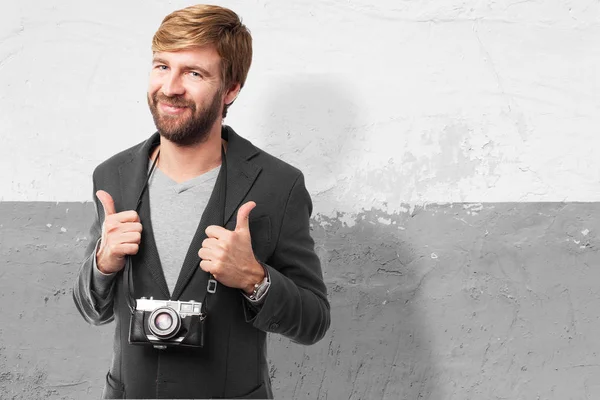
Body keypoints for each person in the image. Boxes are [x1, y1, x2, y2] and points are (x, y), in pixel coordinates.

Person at [72, 4, 330, 399]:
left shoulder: (279, 185)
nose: (170, 86)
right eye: (162, 66)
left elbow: (313, 322)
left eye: (194, 73)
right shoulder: (112, 177)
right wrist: (102, 265)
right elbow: (92, 309)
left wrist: (255, 280)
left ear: (231, 89)